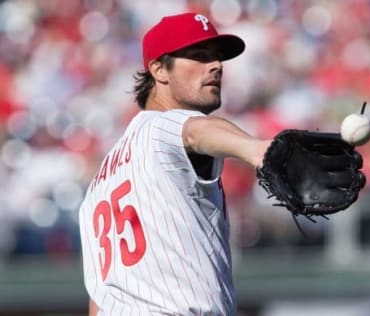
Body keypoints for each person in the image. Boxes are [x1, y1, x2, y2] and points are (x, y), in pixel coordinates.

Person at [78, 12, 271, 315]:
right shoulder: (159, 128)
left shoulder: (96, 189)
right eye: (199, 56)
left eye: (217, 57)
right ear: (159, 69)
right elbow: (194, 131)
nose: (216, 65)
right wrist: (257, 149)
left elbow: (99, 301)